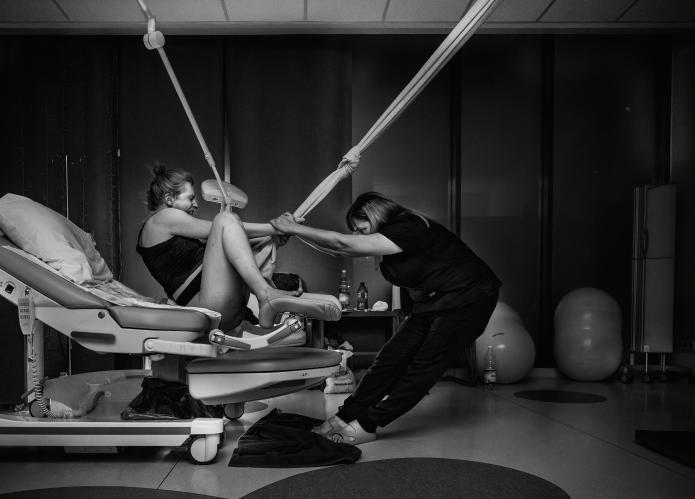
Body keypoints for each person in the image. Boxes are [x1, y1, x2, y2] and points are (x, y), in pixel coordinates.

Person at [270, 192, 501, 445]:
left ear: (375, 215)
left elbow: (342, 244)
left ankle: (368, 424)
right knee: (389, 359)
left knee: (423, 367)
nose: (358, 235)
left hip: (469, 297)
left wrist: (293, 228)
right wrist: (296, 234)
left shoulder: (408, 225)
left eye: (360, 228)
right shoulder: (391, 237)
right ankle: (345, 416)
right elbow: (338, 250)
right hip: (434, 302)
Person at [137, 165, 299, 331]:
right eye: (191, 198)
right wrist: (276, 227)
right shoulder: (161, 218)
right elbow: (222, 226)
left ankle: (266, 294)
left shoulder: (169, 228)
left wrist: (274, 236)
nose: (196, 204)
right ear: (169, 199)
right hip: (208, 308)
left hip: (224, 305)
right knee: (224, 219)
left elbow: (234, 240)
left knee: (235, 233)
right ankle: (265, 294)